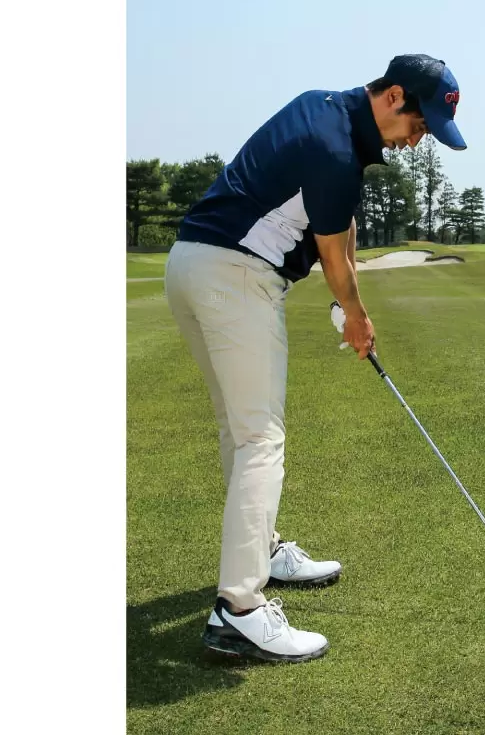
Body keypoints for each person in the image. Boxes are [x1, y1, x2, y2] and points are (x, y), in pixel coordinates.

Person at [164, 53, 466, 663]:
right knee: (261, 439)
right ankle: (239, 610)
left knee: (240, 430)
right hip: (235, 276)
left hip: (192, 266)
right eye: (419, 125)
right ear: (393, 96)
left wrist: (354, 303)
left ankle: (264, 550)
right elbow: (331, 255)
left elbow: (341, 223)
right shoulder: (334, 148)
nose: (416, 140)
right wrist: (356, 316)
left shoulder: (326, 112)